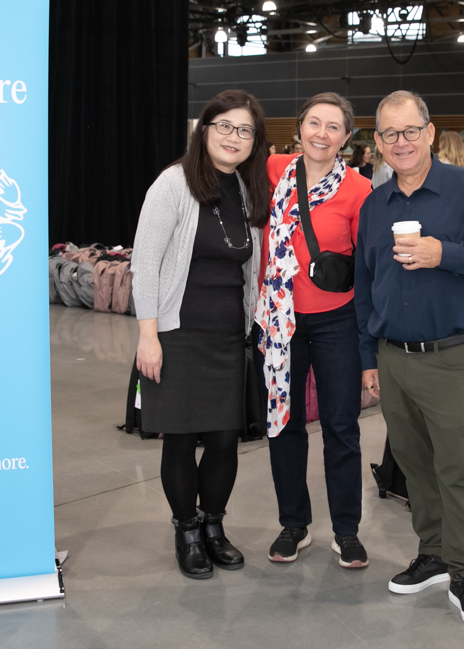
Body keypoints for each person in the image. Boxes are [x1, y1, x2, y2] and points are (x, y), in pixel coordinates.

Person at [355, 90, 464, 629]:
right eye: (390, 134)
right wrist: (369, 358)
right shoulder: (374, 206)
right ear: (378, 142)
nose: (401, 142)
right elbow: (365, 287)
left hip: (450, 356)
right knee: (415, 465)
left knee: (457, 469)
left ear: (429, 133)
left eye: (410, 131)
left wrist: (442, 253)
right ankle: (432, 553)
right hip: (392, 358)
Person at [132, 89, 269, 579]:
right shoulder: (173, 184)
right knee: (180, 440)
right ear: (204, 130)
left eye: (245, 130)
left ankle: (214, 526)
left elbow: (249, 269)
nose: (234, 137)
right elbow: (145, 264)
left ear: (255, 140)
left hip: (229, 338)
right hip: (178, 335)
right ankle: (186, 531)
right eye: (224, 126)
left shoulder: (248, 190)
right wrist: (148, 336)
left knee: (225, 441)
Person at [258, 93, 372, 569]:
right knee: (284, 423)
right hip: (280, 321)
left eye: (333, 127)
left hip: (336, 321)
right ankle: (294, 523)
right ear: (299, 127)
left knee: (341, 426)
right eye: (314, 123)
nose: (321, 134)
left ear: (346, 137)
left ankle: (346, 530)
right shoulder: (273, 169)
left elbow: (368, 263)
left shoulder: (359, 188)